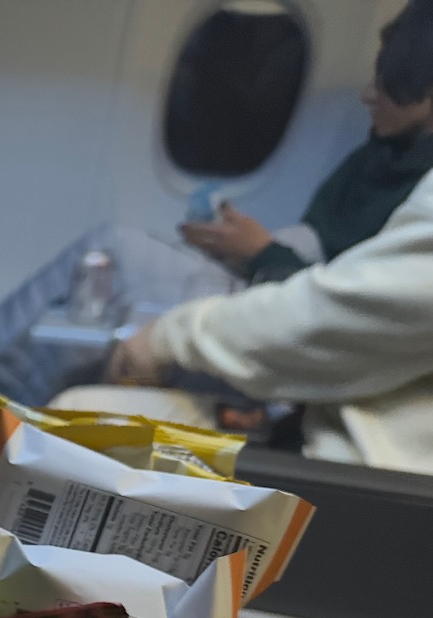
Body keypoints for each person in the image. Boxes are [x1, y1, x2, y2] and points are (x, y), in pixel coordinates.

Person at [0, 0, 433, 421]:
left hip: (292, 325)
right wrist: (249, 245)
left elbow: (342, 308)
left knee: (101, 291)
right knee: (107, 261)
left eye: (390, 85)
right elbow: (328, 250)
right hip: (274, 283)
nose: (369, 94)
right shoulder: (384, 152)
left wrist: (262, 252)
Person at [74, 168, 433, 474]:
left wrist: (170, 336)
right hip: (321, 405)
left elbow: (347, 314)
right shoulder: (370, 157)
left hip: (356, 467)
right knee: (76, 412)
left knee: (77, 428)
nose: (369, 96)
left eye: (390, 89)